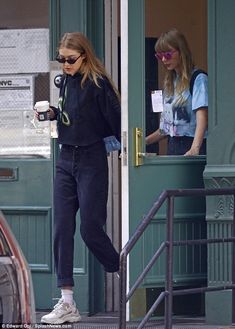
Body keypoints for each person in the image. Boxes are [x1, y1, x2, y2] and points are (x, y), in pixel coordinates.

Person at [40, 32, 121, 324]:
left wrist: (124, 149)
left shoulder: (99, 85)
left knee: (89, 227)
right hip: (65, 158)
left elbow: (118, 120)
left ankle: (121, 268)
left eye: (70, 59)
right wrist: (52, 113)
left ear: (84, 56)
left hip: (91, 159)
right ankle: (67, 302)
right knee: (62, 228)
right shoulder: (65, 82)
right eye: (61, 59)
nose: (64, 64)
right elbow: (69, 114)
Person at [146, 28, 208, 155]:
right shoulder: (170, 83)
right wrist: (142, 143)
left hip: (192, 145)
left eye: (167, 54)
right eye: (159, 56)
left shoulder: (198, 78)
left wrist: (195, 148)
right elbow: (165, 129)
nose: (163, 60)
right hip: (173, 146)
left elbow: (202, 117)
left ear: (181, 52)